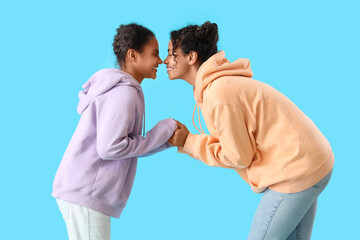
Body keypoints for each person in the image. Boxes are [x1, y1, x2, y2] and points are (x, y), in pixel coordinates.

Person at [165, 21, 334, 240]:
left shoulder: (219, 93)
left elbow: (239, 156)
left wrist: (189, 142)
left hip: (298, 169)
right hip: (314, 161)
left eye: (171, 54)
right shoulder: (220, 87)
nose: (165, 61)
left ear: (191, 57)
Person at [52, 23, 177, 240]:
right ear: (132, 55)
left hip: (84, 192)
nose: (161, 61)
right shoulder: (124, 94)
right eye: (154, 54)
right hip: (86, 192)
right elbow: (111, 148)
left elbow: (125, 145)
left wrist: (165, 139)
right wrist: (163, 130)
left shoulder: (123, 90)